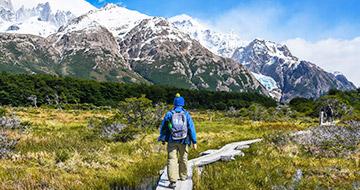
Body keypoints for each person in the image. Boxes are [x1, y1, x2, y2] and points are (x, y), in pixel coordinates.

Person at [158, 93, 197, 188]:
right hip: (184, 140)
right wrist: (194, 141)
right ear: (182, 103)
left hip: (172, 140)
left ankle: (173, 181)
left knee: (172, 159)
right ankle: (183, 176)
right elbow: (191, 128)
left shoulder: (169, 114)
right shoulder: (186, 114)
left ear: (174, 104)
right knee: (183, 158)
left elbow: (164, 128)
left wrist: (163, 139)